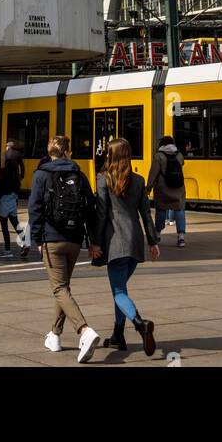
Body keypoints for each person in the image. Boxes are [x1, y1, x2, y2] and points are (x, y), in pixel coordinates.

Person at [27, 134, 101, 362]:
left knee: (59, 289)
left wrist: (37, 240)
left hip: (52, 239)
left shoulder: (41, 175)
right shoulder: (79, 175)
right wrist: (94, 242)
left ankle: (84, 331)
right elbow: (91, 210)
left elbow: (34, 209)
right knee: (63, 288)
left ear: (50, 152)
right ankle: (55, 336)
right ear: (68, 151)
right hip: (75, 240)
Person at [95, 137, 160, 356]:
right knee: (121, 289)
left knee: (119, 291)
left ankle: (140, 323)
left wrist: (94, 242)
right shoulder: (139, 181)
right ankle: (117, 335)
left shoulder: (103, 179)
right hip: (135, 243)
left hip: (115, 243)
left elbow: (102, 214)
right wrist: (152, 242)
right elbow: (145, 214)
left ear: (110, 156)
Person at [146, 134, 187, 248]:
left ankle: (158, 234)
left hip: (162, 188)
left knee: (161, 210)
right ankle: (181, 237)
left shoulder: (158, 156)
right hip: (178, 188)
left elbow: (153, 173)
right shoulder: (179, 155)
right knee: (179, 210)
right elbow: (182, 164)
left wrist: (148, 187)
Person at [0, 146, 28, 259]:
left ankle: (7, 250)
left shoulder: (2, 174)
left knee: (4, 227)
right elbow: (22, 166)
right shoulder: (16, 179)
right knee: (16, 224)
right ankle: (25, 242)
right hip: (12, 202)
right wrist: (22, 175)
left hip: (3, 204)